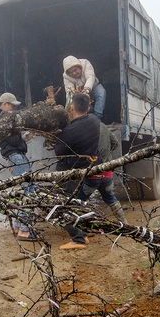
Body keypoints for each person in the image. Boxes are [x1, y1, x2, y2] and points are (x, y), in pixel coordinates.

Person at [55, 93, 127, 250]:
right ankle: (119, 226)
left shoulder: (70, 131)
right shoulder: (95, 121)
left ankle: (78, 239)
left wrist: (58, 135)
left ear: (71, 107)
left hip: (74, 173)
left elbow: (59, 152)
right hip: (93, 170)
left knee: (66, 206)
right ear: (88, 107)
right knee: (102, 198)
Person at [0, 92, 35, 240]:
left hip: (14, 157)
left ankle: (17, 226)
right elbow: (14, 141)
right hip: (16, 157)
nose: (14, 110)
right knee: (29, 192)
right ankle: (25, 231)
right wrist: (20, 130)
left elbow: (14, 140)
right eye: (12, 106)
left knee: (22, 192)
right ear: (5, 104)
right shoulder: (2, 118)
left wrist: (25, 136)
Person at [62, 55, 106, 120]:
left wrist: (86, 91)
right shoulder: (66, 76)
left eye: (75, 70)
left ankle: (97, 118)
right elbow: (69, 92)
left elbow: (90, 77)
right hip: (78, 93)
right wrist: (70, 104)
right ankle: (79, 121)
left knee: (101, 92)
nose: (74, 73)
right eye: (71, 72)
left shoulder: (85, 63)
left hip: (93, 87)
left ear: (79, 66)